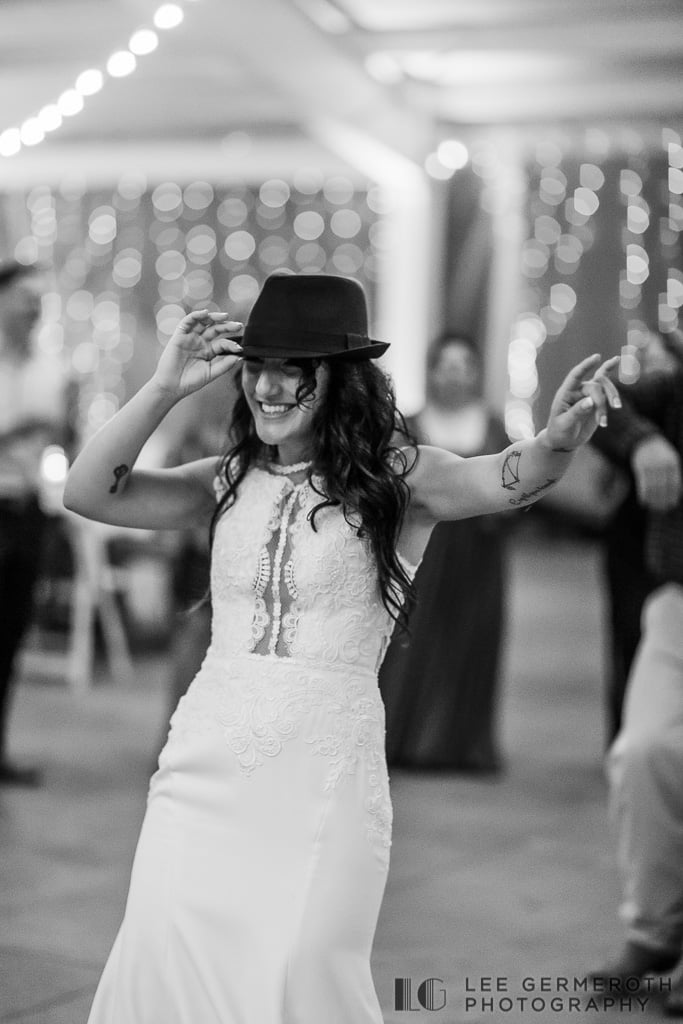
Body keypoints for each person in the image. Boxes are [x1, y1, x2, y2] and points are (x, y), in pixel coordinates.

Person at [63, 272, 619, 1024]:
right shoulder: (224, 480)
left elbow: (506, 481)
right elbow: (88, 492)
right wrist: (163, 388)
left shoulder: (400, 482)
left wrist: (555, 443)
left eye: (291, 369)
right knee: (165, 951)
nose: (265, 386)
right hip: (202, 765)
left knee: (298, 968)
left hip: (322, 773)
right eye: (256, 365)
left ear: (338, 382)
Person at [589, 329, 683, 1015]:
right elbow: (602, 396)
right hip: (676, 595)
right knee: (642, 749)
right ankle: (654, 930)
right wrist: (641, 440)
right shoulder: (672, 387)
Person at [379, 332, 512, 771]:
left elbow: (517, 488)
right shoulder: (407, 426)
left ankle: (464, 746)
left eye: (464, 366)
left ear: (475, 373)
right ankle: (406, 740)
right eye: (446, 365)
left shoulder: (495, 427)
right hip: (421, 554)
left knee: (472, 644)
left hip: (479, 557)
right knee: (411, 643)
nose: (454, 375)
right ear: (432, 371)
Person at [0, 260, 67, 786]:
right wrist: (17, 428)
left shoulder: (53, 370)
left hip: (27, 513)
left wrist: (67, 427)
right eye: (24, 295)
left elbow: (65, 442)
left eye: (39, 298)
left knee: (9, 636)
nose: (33, 305)